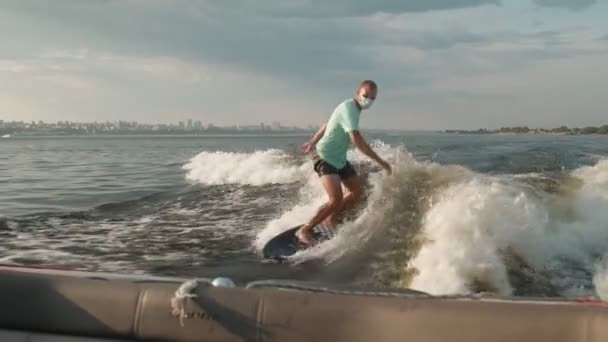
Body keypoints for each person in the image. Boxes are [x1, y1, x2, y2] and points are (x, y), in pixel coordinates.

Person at [296, 80, 392, 245]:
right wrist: (381, 161)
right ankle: (304, 230)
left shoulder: (350, 108)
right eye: (365, 95)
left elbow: (329, 123)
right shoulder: (349, 109)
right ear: (357, 93)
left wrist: (312, 140)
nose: (368, 100)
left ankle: (332, 217)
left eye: (372, 98)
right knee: (336, 199)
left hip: (339, 158)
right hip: (324, 155)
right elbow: (356, 139)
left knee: (356, 191)